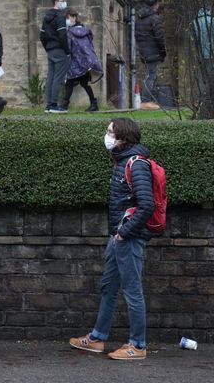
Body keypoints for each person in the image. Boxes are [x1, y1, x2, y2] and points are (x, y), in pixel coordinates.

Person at [69, 117, 155, 360]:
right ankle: (97, 338)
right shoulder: (122, 161)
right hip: (118, 237)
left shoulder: (135, 164)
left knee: (132, 290)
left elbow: (146, 205)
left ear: (123, 138)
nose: (106, 136)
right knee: (109, 288)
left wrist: (124, 233)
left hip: (127, 237)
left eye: (110, 132)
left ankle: (138, 345)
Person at [61, 8, 103, 112]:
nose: (68, 20)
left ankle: (64, 105)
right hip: (87, 62)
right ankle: (94, 104)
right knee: (84, 83)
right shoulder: (85, 31)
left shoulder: (69, 32)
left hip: (76, 62)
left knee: (70, 82)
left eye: (68, 18)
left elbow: (69, 48)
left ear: (74, 18)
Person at [40, 0, 71, 113]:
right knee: (58, 77)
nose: (64, 2)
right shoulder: (60, 16)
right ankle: (53, 105)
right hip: (60, 50)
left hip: (51, 51)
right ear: (56, 1)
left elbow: (41, 35)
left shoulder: (46, 16)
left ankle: (48, 106)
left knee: (51, 77)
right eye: (62, 0)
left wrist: (47, 48)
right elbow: (63, 35)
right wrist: (67, 51)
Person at [134, 0, 166, 110]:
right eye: (157, 4)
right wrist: (163, 52)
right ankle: (145, 102)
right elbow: (160, 37)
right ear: (155, 5)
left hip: (144, 51)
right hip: (153, 51)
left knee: (151, 75)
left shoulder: (138, 18)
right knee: (151, 76)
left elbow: (137, 36)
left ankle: (150, 100)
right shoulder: (154, 18)